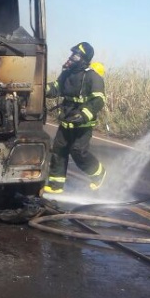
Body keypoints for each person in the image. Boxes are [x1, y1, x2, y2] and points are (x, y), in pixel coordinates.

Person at [43, 42, 107, 194]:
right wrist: (41, 88)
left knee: (78, 152)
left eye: (76, 55)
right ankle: (55, 185)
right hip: (66, 120)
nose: (72, 58)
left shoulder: (92, 76)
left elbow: (99, 99)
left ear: (84, 59)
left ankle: (98, 174)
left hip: (83, 124)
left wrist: (84, 114)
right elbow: (57, 87)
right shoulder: (67, 73)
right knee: (59, 150)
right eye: (72, 54)